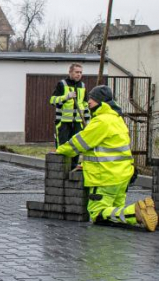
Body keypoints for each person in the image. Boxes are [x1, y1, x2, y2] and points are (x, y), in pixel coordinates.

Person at [56, 85, 157, 231]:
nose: (89, 101)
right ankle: (141, 214)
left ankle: (137, 212)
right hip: (122, 176)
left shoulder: (101, 121)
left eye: (92, 98)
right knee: (116, 213)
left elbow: (79, 143)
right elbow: (108, 150)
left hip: (104, 177)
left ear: (101, 101)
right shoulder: (117, 119)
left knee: (97, 213)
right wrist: (86, 165)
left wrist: (60, 150)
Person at [49, 63, 89, 165]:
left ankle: (73, 166)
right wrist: (66, 97)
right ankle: (61, 167)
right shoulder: (62, 84)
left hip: (78, 122)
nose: (79, 74)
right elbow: (53, 101)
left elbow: (85, 105)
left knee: (76, 146)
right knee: (63, 146)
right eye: (76, 72)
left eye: (80, 72)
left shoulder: (83, 86)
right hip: (63, 122)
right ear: (70, 72)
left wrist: (87, 121)